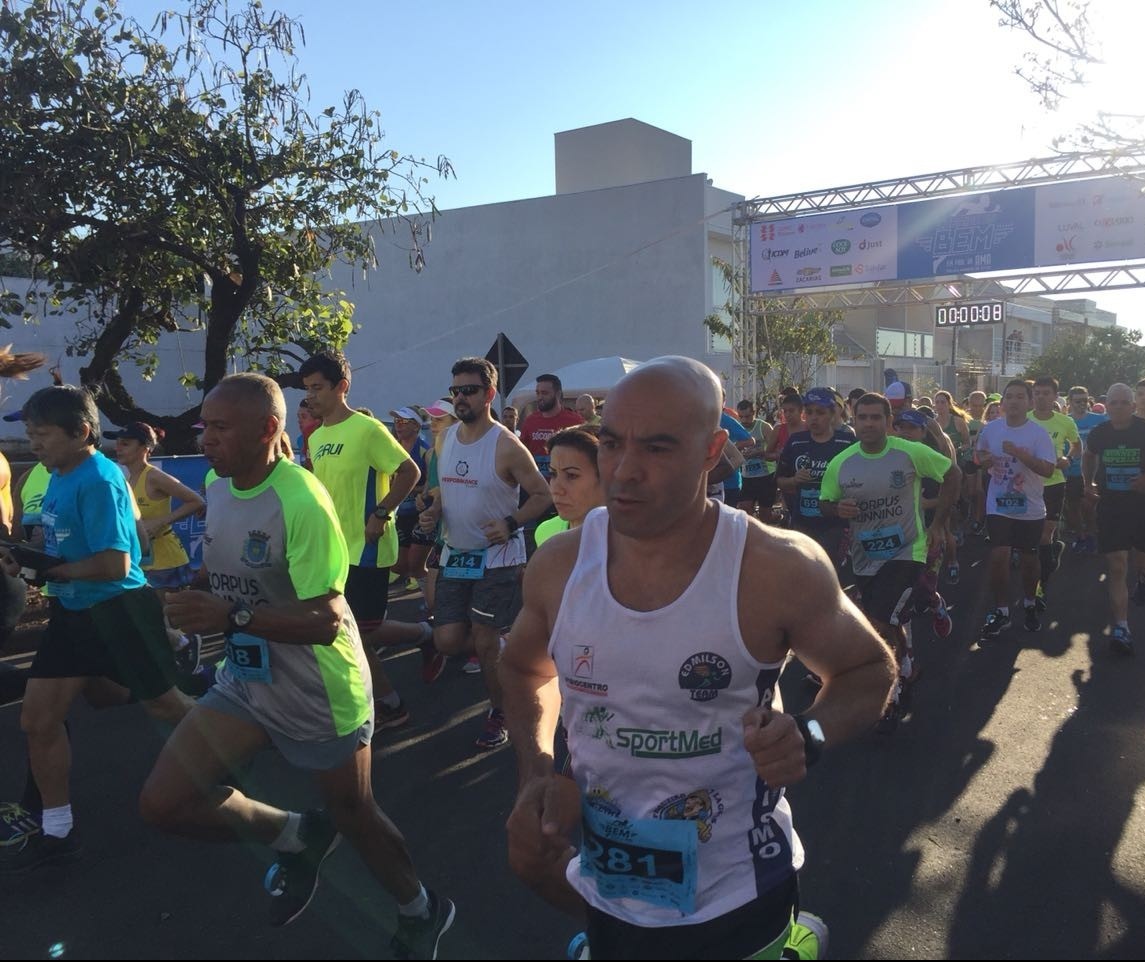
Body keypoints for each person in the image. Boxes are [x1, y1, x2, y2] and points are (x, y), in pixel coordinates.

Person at [500, 356, 895, 960]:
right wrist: (538, 769)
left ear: (712, 452)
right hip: (609, 880)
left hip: (736, 890)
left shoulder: (775, 567)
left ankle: (796, 943)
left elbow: (869, 670)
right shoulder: (560, 566)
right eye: (611, 444)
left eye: (658, 448)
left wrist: (809, 732)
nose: (625, 472)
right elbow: (527, 669)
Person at [137, 374, 454, 957]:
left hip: (318, 688)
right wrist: (192, 594)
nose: (205, 439)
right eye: (204, 426)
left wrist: (228, 615)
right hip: (247, 681)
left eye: (219, 428)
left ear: (268, 430)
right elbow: (229, 568)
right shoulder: (218, 482)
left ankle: (421, 908)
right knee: (163, 803)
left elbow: (327, 620)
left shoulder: (302, 501)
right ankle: (295, 834)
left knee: (355, 815)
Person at [0, 386, 194, 873]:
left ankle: (236, 745)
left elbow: (113, 563)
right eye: (29, 434)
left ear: (81, 432)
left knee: (167, 706)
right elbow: (61, 547)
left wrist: (47, 572)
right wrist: (26, 559)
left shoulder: (101, 479)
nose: (34, 443)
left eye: (41, 434)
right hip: (73, 614)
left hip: (119, 610)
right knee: (39, 721)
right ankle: (59, 830)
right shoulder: (55, 474)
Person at [420, 357, 552, 749]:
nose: (460, 398)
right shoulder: (444, 439)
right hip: (456, 556)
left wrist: (511, 523)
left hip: (498, 559)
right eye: (456, 390)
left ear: (489, 394)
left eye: (470, 390)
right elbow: (446, 491)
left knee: (483, 638)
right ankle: (505, 646)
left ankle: (501, 710)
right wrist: (433, 513)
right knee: (446, 640)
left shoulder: (506, 445)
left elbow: (542, 494)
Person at [819, 393, 959, 731]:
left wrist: (939, 523)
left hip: (907, 550)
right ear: (853, 421)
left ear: (888, 422)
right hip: (866, 555)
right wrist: (837, 509)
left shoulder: (909, 452)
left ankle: (892, 691)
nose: (868, 424)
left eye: (875, 418)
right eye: (862, 417)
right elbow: (825, 501)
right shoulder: (843, 462)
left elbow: (953, 474)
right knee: (884, 615)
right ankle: (908, 655)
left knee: (879, 620)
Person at [300, 351, 423, 728]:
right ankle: (422, 643)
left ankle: (389, 703)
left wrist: (382, 511)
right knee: (351, 633)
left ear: (342, 387)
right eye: (306, 390)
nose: (310, 398)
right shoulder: (317, 436)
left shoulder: (368, 430)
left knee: (356, 635)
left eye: (318, 388)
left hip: (366, 549)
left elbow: (409, 471)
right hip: (333, 549)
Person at [109, 420, 207, 670]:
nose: (118, 448)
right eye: (117, 442)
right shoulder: (121, 478)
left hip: (163, 556)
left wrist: (159, 521)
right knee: (144, 614)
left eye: (126, 443)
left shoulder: (154, 476)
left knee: (159, 615)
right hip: (137, 557)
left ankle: (183, 649)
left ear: (145, 448)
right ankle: (174, 653)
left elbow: (195, 501)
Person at [975, 380, 1057, 638]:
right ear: (1002, 403)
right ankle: (1002, 611)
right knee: (999, 555)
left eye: (1020, 397)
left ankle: (1030, 603)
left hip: (1030, 506)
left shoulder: (1037, 434)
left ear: (1029, 402)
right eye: (1009, 397)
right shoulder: (991, 430)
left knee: (1029, 559)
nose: (1013, 401)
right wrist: (983, 460)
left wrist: (1022, 455)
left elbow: (1048, 469)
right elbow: (978, 457)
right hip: (998, 504)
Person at [1082, 383, 1145, 654]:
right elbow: (1088, 455)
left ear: (1133, 406)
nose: (1118, 407)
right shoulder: (1099, 432)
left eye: (1123, 402)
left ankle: (1142, 578)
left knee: (1140, 558)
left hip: (1141, 506)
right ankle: (1121, 627)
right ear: (1106, 406)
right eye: (1113, 402)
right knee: (1118, 565)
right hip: (1111, 506)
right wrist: (1087, 483)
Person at [775, 388, 853, 564]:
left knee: (829, 570)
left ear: (833, 414)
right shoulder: (795, 442)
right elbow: (780, 481)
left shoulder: (846, 442)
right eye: (809, 412)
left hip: (836, 525)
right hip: (803, 522)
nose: (814, 417)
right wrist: (795, 480)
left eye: (820, 412)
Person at [1028, 376, 1080, 611]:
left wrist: (1067, 459)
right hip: (1027, 485)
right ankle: (1049, 558)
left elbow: (1077, 445)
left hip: (1054, 483)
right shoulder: (1023, 421)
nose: (1041, 397)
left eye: (1046, 393)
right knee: (1032, 540)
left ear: (1055, 396)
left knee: (1043, 535)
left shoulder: (1065, 422)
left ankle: (1041, 587)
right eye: (1037, 392)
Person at [533, 427, 605, 546]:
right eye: (553, 474)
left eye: (572, 475)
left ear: (605, 477)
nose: (556, 489)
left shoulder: (630, 539)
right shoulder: (545, 532)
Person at [1064, 385, 1106, 553]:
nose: (1082, 404)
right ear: (1069, 402)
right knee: (1073, 507)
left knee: (1089, 505)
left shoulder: (1100, 420)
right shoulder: (1065, 421)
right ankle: (1081, 536)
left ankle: (1091, 535)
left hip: (1094, 471)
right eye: (1077, 401)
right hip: (1072, 471)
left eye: (1085, 400)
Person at [518, 374, 585, 479]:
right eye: (537, 393)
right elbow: (522, 454)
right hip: (538, 486)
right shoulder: (530, 421)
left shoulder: (575, 421)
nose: (540, 397)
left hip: (566, 487)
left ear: (558, 394)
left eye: (544, 393)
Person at [736, 399, 777, 520]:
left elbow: (775, 451)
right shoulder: (737, 428)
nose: (744, 420)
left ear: (754, 413)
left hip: (766, 476)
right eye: (741, 417)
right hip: (746, 477)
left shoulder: (763, 427)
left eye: (747, 416)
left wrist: (759, 452)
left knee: (764, 515)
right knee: (744, 511)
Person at [295, 398, 320, 471]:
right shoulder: (300, 440)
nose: (299, 421)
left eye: (304, 417)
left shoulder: (324, 439)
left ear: (317, 420)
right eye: (298, 417)